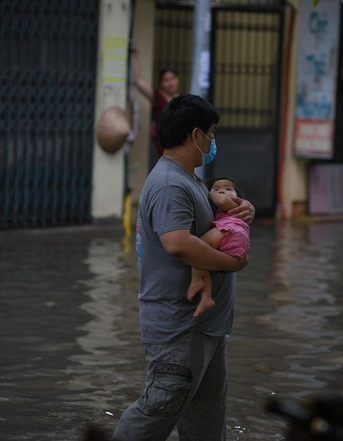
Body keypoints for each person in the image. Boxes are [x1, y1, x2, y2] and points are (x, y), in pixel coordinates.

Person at [111, 94, 255, 441]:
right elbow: (176, 242)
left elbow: (215, 219)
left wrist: (241, 209)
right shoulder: (169, 183)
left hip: (206, 327)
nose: (213, 141)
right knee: (156, 412)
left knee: (205, 421)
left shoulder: (189, 179)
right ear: (195, 135)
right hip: (179, 327)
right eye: (212, 133)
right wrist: (234, 263)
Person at [187, 177, 251, 318]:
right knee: (206, 264)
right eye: (217, 188)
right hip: (235, 235)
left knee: (197, 249)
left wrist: (212, 193)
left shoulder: (233, 204)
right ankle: (206, 298)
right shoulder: (228, 209)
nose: (222, 191)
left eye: (228, 189)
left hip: (230, 231)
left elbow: (221, 201)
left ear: (238, 196)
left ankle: (196, 280)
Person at [132, 49, 179, 158]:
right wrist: (135, 55)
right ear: (161, 83)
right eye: (166, 80)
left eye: (173, 79)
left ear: (177, 80)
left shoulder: (182, 100)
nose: (170, 83)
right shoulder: (157, 97)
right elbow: (137, 81)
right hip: (163, 146)